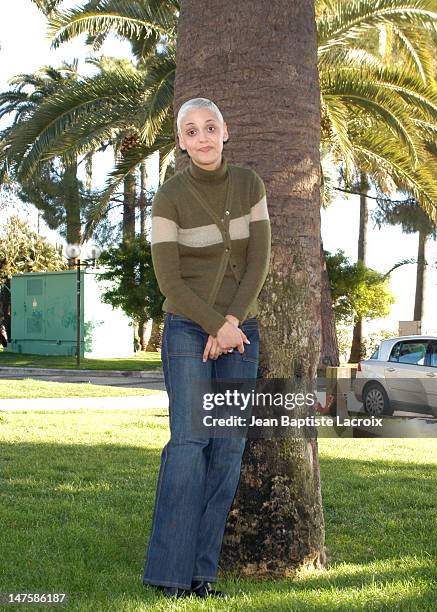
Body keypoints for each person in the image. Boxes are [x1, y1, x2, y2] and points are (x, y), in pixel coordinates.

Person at [142, 97, 271, 599]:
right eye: (191, 131)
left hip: (242, 331)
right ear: (181, 141)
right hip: (187, 329)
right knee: (190, 443)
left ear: (225, 131)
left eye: (210, 127)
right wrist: (215, 324)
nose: (203, 138)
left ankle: (203, 574)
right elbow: (169, 281)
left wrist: (233, 323)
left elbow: (258, 259)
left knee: (228, 449)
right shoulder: (168, 198)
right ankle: (168, 575)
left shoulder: (249, 185)